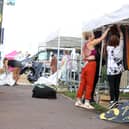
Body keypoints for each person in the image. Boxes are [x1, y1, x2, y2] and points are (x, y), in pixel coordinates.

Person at [75, 27, 110, 109]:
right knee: (89, 84)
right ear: (90, 36)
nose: (94, 35)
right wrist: (107, 30)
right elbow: (101, 38)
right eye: (93, 34)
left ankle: (78, 100)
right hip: (91, 65)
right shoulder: (91, 43)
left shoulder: (85, 45)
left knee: (83, 83)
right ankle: (87, 102)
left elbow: (83, 56)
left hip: (86, 64)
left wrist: (87, 58)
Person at [106, 25, 124, 109]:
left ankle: (112, 101)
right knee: (117, 86)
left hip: (110, 71)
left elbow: (105, 40)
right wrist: (119, 28)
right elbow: (122, 36)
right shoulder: (120, 47)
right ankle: (116, 101)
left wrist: (108, 30)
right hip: (118, 70)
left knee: (111, 86)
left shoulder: (108, 48)